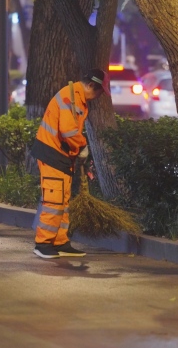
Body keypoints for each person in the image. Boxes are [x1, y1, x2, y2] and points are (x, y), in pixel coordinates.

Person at [30, 68, 109, 259]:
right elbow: (67, 131)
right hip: (52, 155)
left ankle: (60, 242)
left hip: (61, 157)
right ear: (91, 85)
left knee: (62, 202)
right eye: (98, 92)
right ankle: (42, 244)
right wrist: (82, 145)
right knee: (53, 202)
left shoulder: (77, 98)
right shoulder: (69, 98)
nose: (98, 97)